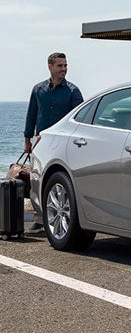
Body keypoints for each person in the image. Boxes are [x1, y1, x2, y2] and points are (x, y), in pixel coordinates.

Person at [23, 52, 84, 234]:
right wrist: (27, 141)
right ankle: (40, 218)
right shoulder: (38, 89)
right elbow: (31, 115)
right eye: (60, 66)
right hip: (41, 143)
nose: (63, 69)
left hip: (63, 143)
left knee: (58, 179)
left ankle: (65, 218)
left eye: (65, 66)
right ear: (50, 67)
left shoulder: (73, 91)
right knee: (37, 180)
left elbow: (80, 120)